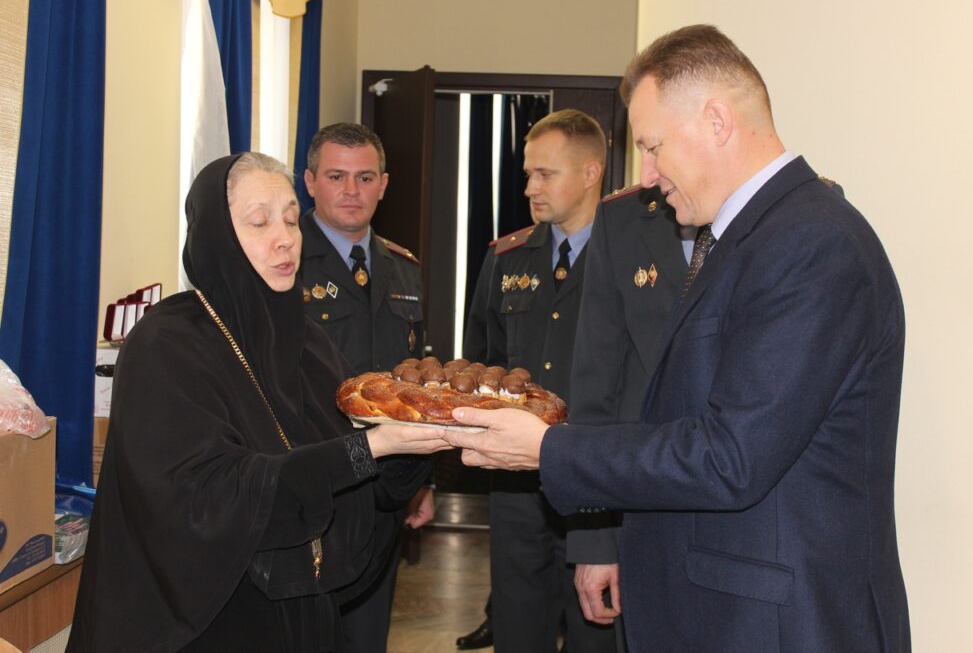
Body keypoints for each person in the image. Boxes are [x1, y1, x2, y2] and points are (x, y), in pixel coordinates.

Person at [444, 24, 911, 652]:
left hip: (777, 624)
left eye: (655, 146)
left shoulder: (810, 242)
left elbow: (731, 456)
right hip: (721, 612)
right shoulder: (749, 235)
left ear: (716, 121)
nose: (649, 173)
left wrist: (549, 451)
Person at [68, 153, 449, 652]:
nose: (286, 236)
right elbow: (208, 496)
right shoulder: (165, 344)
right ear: (216, 237)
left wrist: (418, 448)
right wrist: (369, 450)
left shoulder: (309, 343)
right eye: (259, 221)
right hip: (205, 622)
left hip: (301, 611)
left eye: (291, 218)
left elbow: (352, 488)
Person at [463, 109, 618, 653]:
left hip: (596, 479)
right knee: (518, 627)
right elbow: (480, 363)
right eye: (528, 173)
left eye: (545, 174)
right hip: (516, 486)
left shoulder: (631, 258)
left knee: (594, 632)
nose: (530, 187)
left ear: (591, 172)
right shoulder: (506, 258)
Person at [300, 122, 434, 651]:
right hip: (314, 478)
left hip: (385, 485)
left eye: (364, 177)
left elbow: (418, 381)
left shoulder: (405, 269)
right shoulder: (282, 263)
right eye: (336, 176)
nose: (351, 191)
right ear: (309, 181)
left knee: (367, 632)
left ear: (384, 184)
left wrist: (423, 479)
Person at [566, 183, 690, 649]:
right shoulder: (621, 221)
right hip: (642, 508)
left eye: (656, 145)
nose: (650, 170)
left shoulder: (775, 217)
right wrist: (597, 540)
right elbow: (597, 390)